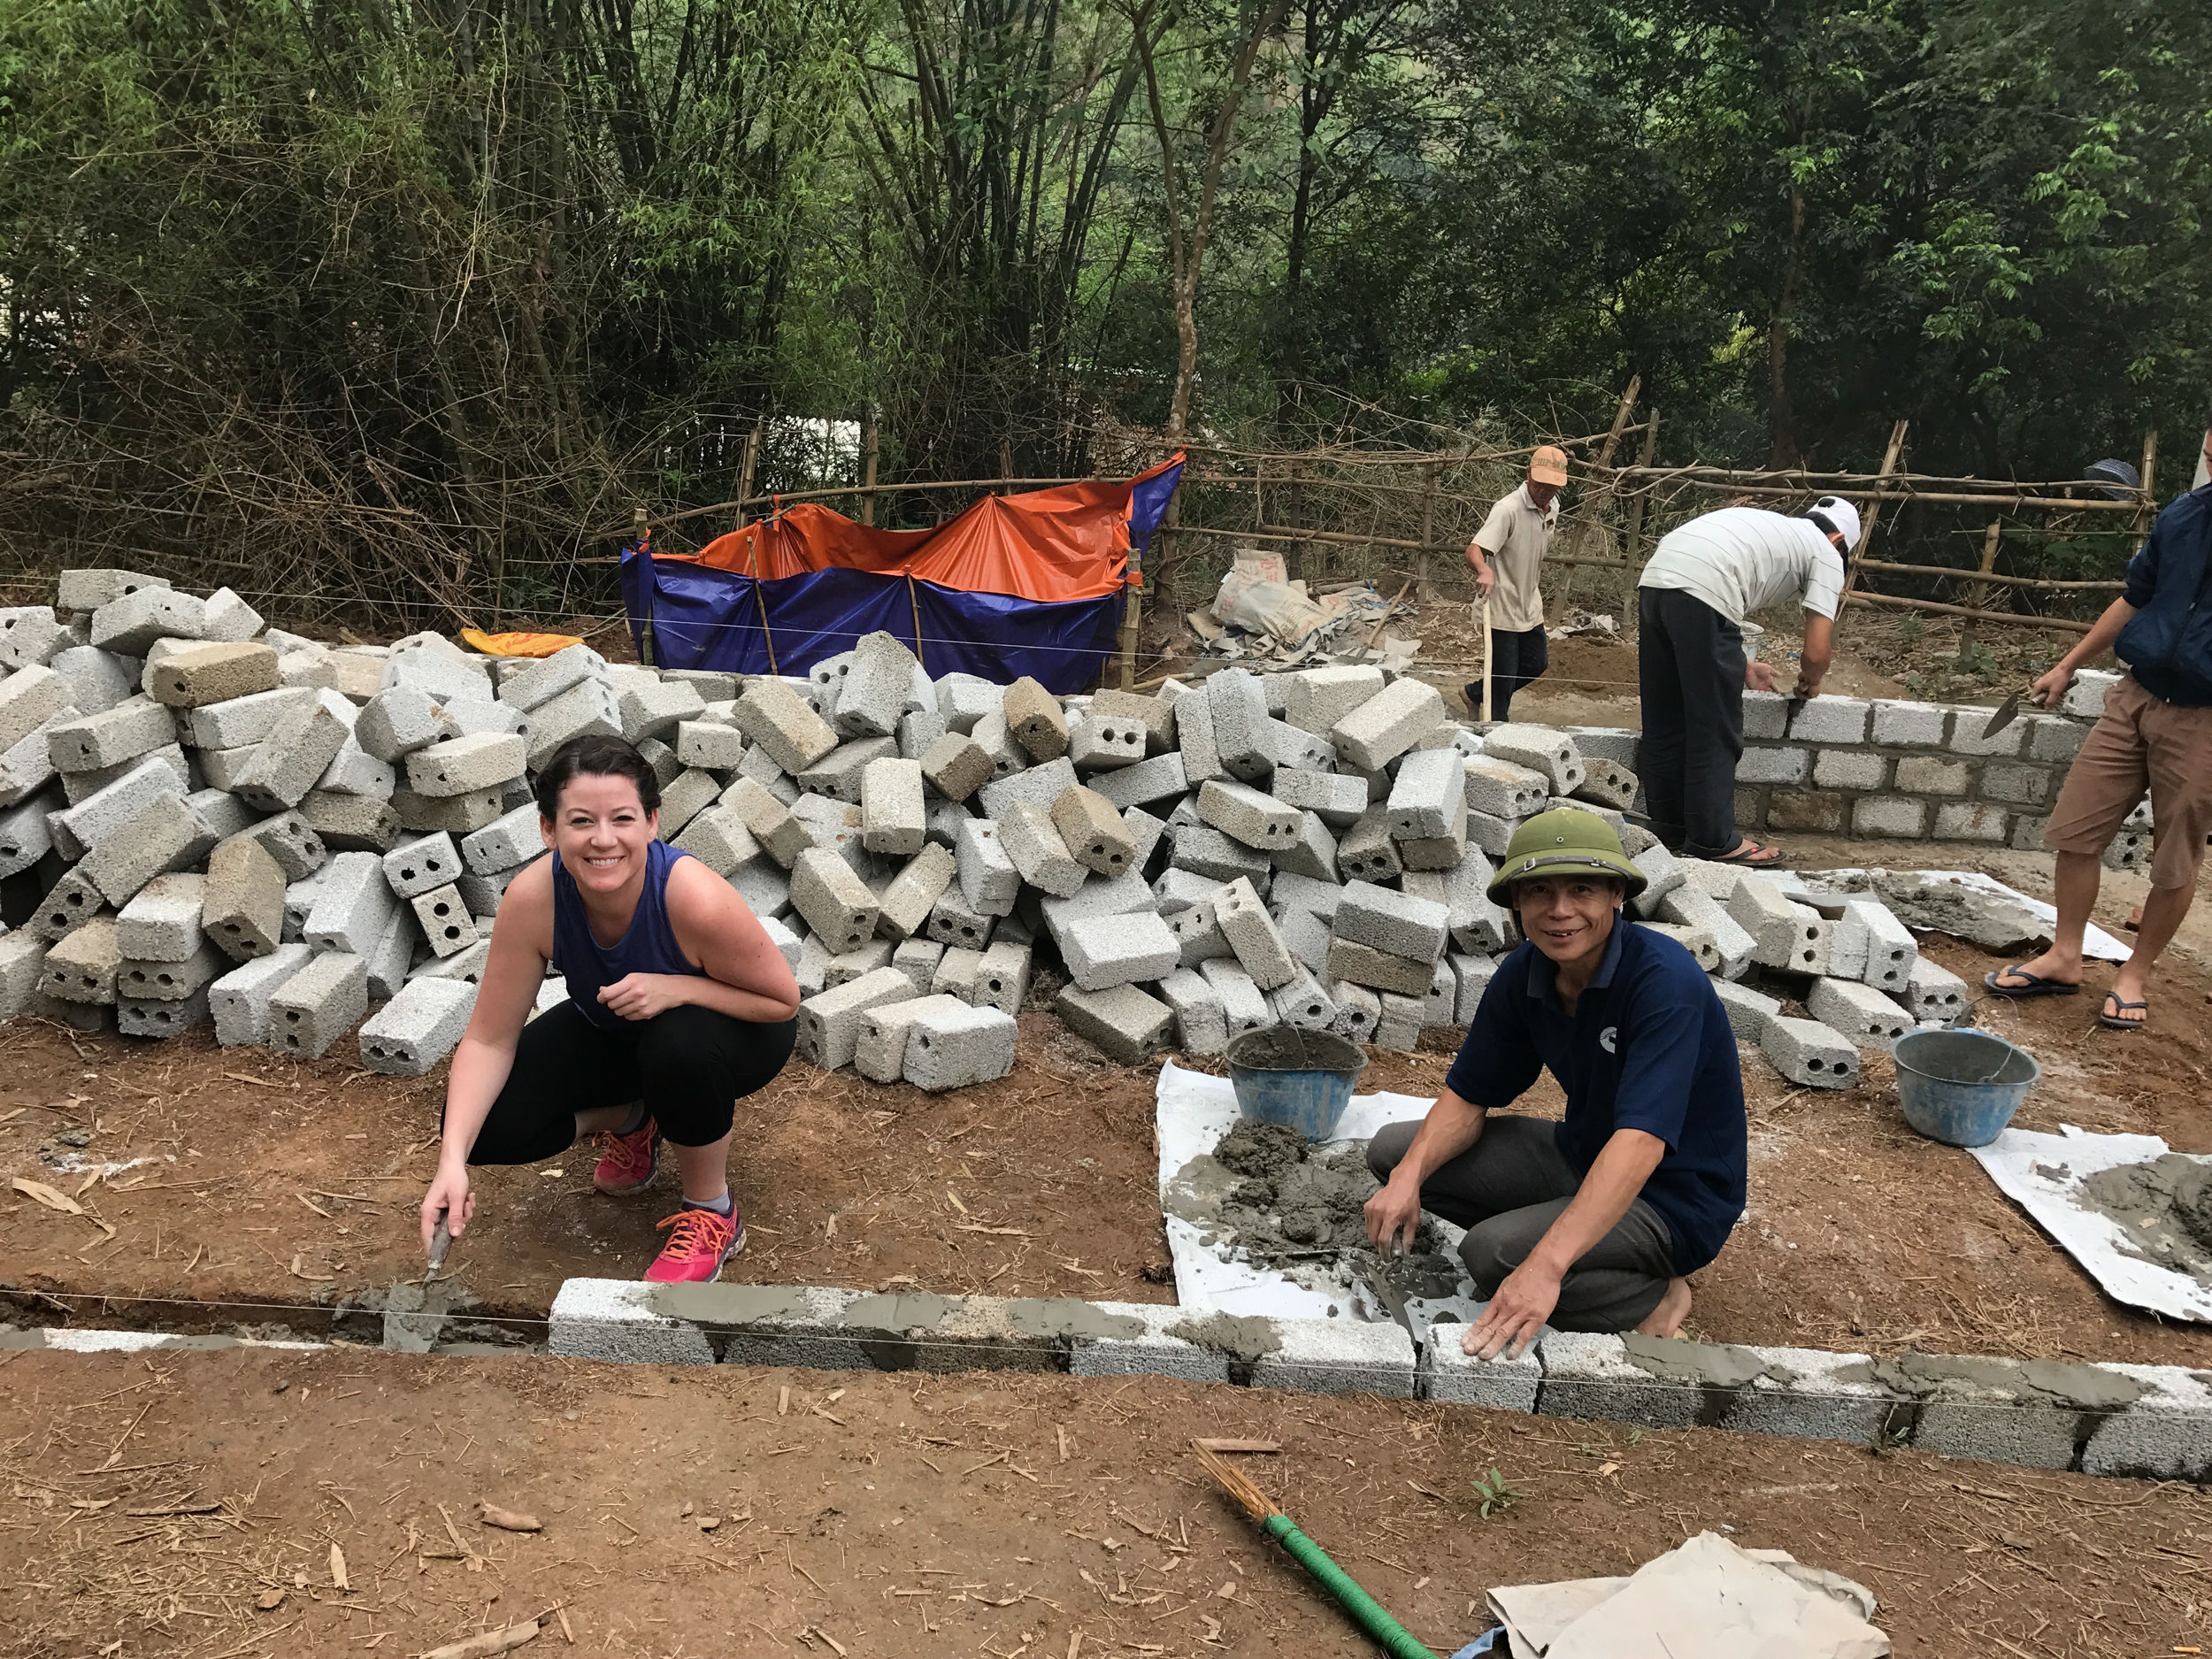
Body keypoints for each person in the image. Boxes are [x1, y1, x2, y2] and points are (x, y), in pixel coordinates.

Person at [1363, 810, 1746, 1360]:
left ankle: (1648, 1293)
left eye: (1582, 890)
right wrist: (1406, 1180)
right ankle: (1575, 1243)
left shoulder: (1664, 982)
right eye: (1539, 891)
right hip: (1583, 1154)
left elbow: (1640, 1143)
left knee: (1493, 1255)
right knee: (1395, 1154)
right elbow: (1469, 1097)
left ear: (1616, 894)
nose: (1560, 911)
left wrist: (1542, 1266)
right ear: (1516, 902)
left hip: (1675, 1198)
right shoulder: (1525, 973)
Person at [419, 733, 803, 1284]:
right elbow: (487, 1040)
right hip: (619, 1027)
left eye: (622, 819)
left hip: (735, 1031)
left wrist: (681, 989)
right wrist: (450, 1161)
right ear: (549, 830)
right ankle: (633, 1119)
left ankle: (713, 1212)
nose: (604, 840)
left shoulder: (690, 895)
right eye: (580, 822)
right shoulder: (534, 900)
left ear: (651, 822)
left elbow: (781, 1002)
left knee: (679, 1044)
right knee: (486, 1127)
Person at [1985, 423, 2212, 1033]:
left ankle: (2135, 972)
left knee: (2174, 858)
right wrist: (2067, 664)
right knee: (2077, 828)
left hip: (2204, 718)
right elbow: (2135, 597)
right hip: (2135, 695)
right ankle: (2065, 955)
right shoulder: (2184, 516)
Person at [1635, 495, 1861, 865]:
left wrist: (1740, 667)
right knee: (1715, 729)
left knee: (1665, 721)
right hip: (1705, 587)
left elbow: (1706, 616)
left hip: (1658, 580)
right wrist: (1810, 679)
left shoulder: (1777, 529)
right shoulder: (1826, 552)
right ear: (1840, 542)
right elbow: (1817, 653)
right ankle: (1713, 840)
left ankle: (1668, 827)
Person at [1462, 445, 1566, 721]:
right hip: (1501, 604)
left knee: (1536, 663)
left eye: (1552, 486)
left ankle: (1474, 693)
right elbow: (1474, 550)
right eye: (1540, 483)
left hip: (1529, 601)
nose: (1544, 491)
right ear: (1528, 473)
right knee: (1504, 677)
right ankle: (1497, 734)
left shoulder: (1553, 507)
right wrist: (1484, 570)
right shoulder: (1507, 509)